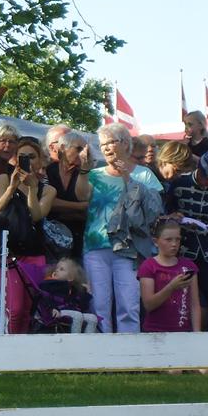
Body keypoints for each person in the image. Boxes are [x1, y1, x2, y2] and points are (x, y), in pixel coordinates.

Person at [75, 122, 163, 333]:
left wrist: (127, 178)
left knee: (129, 305)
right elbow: (81, 196)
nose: (105, 148)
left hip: (129, 248)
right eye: (102, 144)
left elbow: (154, 208)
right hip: (96, 247)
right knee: (98, 306)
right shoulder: (94, 174)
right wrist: (84, 170)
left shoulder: (143, 174)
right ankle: (101, 350)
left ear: (125, 143)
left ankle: (130, 351)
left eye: (110, 143)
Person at [0, 137, 57, 333]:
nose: (27, 160)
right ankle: (9, 345)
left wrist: (31, 189)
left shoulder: (48, 190)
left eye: (31, 156)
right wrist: (12, 187)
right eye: (22, 156)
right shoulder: (4, 179)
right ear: (14, 159)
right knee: (14, 309)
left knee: (29, 308)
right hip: (8, 251)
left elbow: (36, 216)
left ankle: (24, 347)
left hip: (34, 252)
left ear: (40, 160)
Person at [163, 145, 208, 331]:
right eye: (203, 176)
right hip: (180, 249)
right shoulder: (179, 182)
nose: (206, 181)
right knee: (177, 300)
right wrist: (172, 217)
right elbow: (165, 212)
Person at [138, 218, 200, 333]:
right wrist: (171, 287)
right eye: (168, 240)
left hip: (183, 332)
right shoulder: (148, 266)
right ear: (155, 241)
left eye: (177, 239)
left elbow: (194, 304)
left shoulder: (188, 266)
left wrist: (197, 334)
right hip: (154, 332)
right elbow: (148, 305)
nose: (174, 244)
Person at [46, 131, 91, 260]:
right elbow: (46, 202)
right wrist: (79, 207)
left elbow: (89, 210)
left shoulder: (84, 175)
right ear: (63, 148)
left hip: (78, 240)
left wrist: (59, 209)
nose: (83, 154)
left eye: (85, 150)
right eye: (79, 149)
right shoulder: (47, 170)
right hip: (50, 241)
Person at [38, 257, 99, 333]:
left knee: (93, 318)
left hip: (70, 311)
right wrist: (52, 308)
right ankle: (75, 338)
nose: (57, 270)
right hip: (57, 311)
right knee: (77, 316)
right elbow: (46, 298)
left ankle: (88, 338)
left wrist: (87, 294)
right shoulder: (49, 284)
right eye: (57, 268)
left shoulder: (72, 289)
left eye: (61, 269)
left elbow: (82, 307)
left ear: (70, 278)